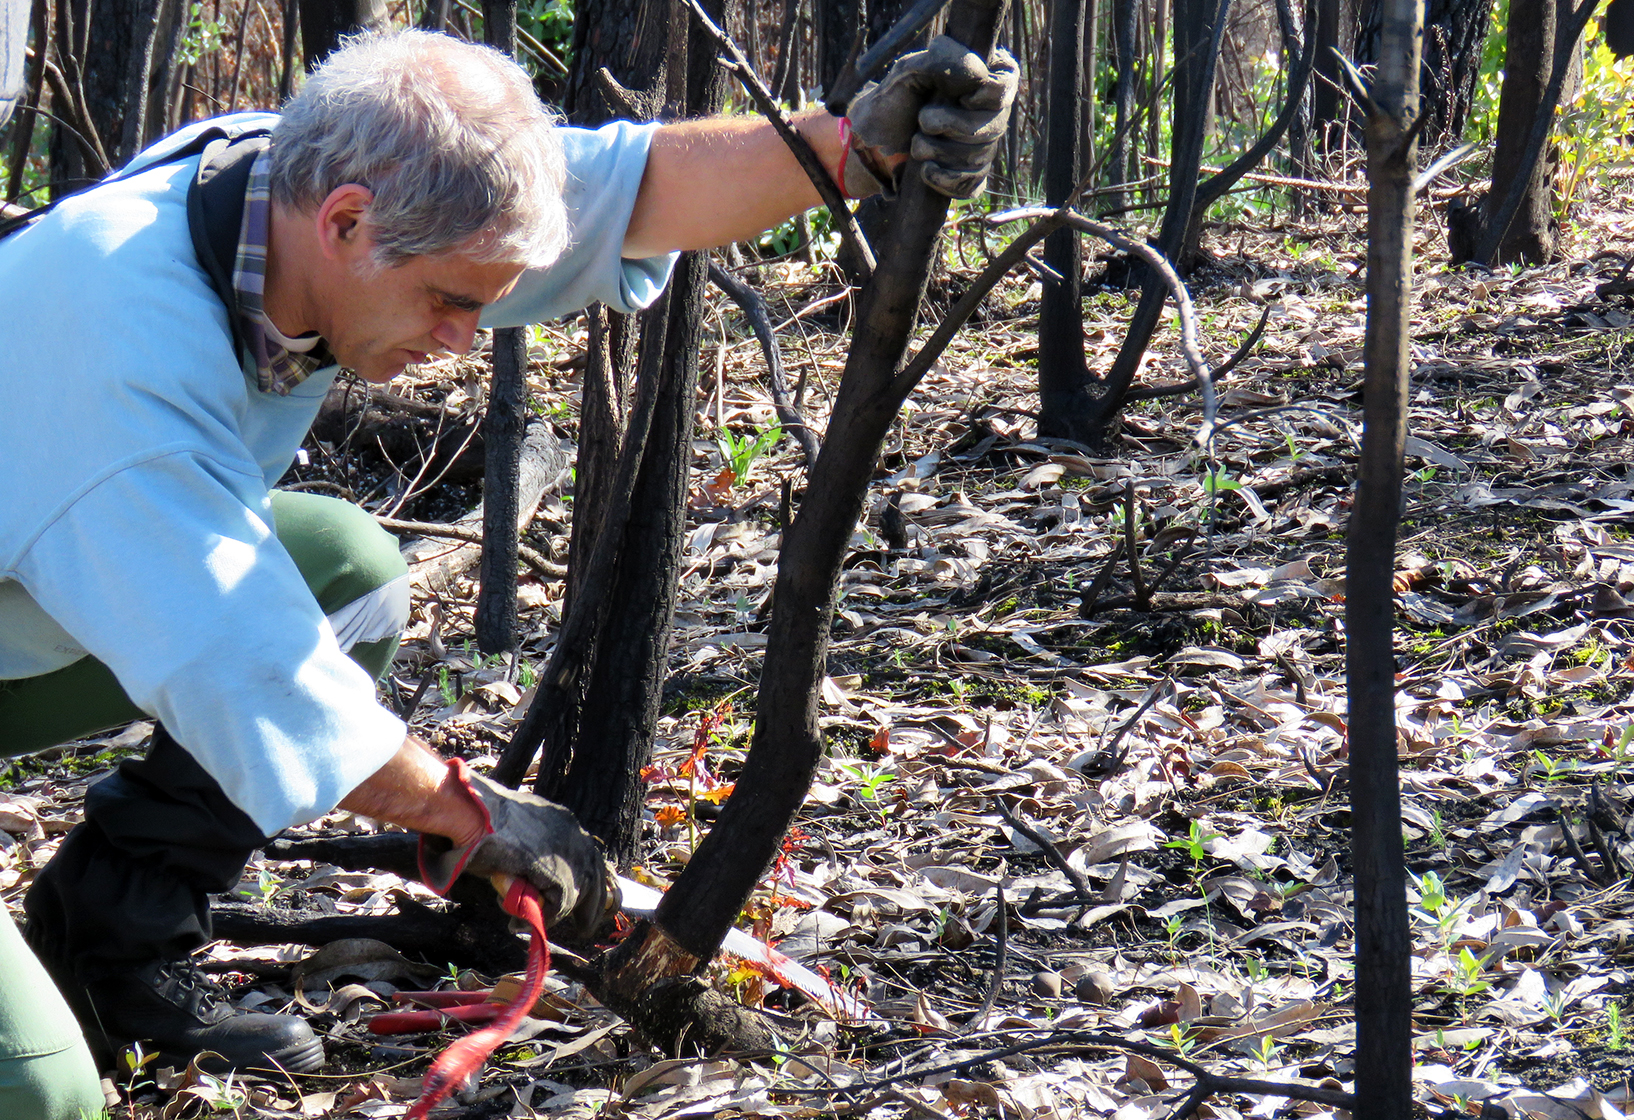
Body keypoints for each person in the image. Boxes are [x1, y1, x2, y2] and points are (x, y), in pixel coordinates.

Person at [0, 25, 1017, 1120]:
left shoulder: (287, 187)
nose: (465, 336)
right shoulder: (119, 355)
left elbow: (633, 188)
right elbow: (250, 675)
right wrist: (480, 814)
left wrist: (850, 149)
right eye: (450, 301)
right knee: (40, 1094)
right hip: (75, 584)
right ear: (344, 223)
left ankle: (104, 946)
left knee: (345, 571)